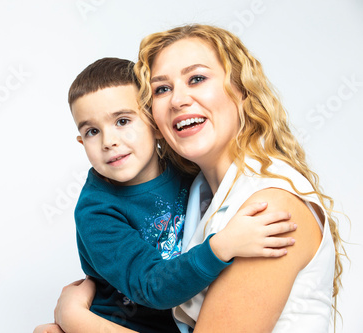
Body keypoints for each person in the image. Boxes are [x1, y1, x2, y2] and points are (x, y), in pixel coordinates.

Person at [44, 24, 346, 333]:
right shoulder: (201, 193)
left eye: (197, 79)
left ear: (242, 90)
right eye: (162, 88)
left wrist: (77, 321)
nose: (178, 100)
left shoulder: (268, 207)